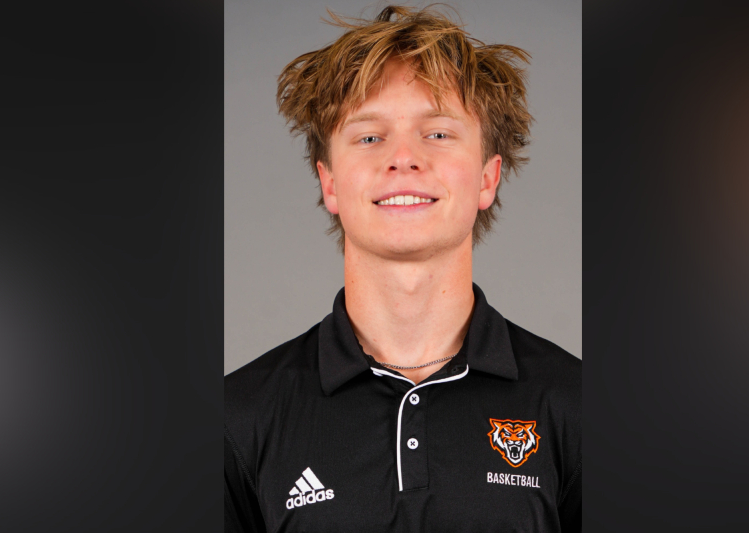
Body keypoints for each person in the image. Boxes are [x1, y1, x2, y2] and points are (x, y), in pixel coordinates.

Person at [224, 5, 581, 531]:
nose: (403, 158)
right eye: (369, 137)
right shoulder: (239, 418)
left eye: (437, 133)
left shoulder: (576, 407)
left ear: (488, 178)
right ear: (329, 184)